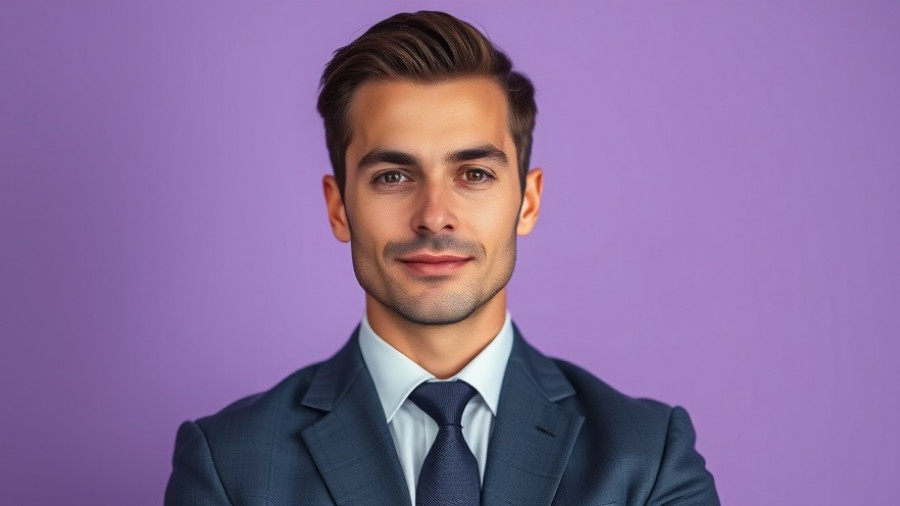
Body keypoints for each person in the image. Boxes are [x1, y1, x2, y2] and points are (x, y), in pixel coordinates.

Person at [164, 10, 719, 506]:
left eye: (474, 174)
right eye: (393, 176)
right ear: (339, 209)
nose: (434, 216)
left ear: (527, 202)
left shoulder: (649, 459)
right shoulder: (227, 467)